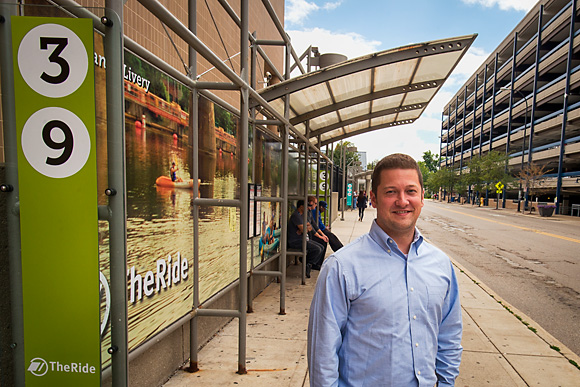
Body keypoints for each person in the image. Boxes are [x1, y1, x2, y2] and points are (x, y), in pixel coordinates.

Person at [308, 153, 463, 387]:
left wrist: (446, 383)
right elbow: (323, 353)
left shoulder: (441, 265)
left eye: (410, 191)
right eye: (391, 192)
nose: (402, 201)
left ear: (422, 196)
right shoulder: (342, 267)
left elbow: (449, 336)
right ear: (373, 199)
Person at [287, 200, 324, 278]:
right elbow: (304, 229)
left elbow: (309, 226)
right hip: (296, 241)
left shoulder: (302, 215)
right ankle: (308, 264)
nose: (308, 208)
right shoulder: (296, 216)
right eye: (306, 206)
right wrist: (305, 228)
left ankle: (308, 263)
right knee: (317, 249)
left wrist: (305, 228)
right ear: (301, 207)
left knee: (321, 247)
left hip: (303, 239)